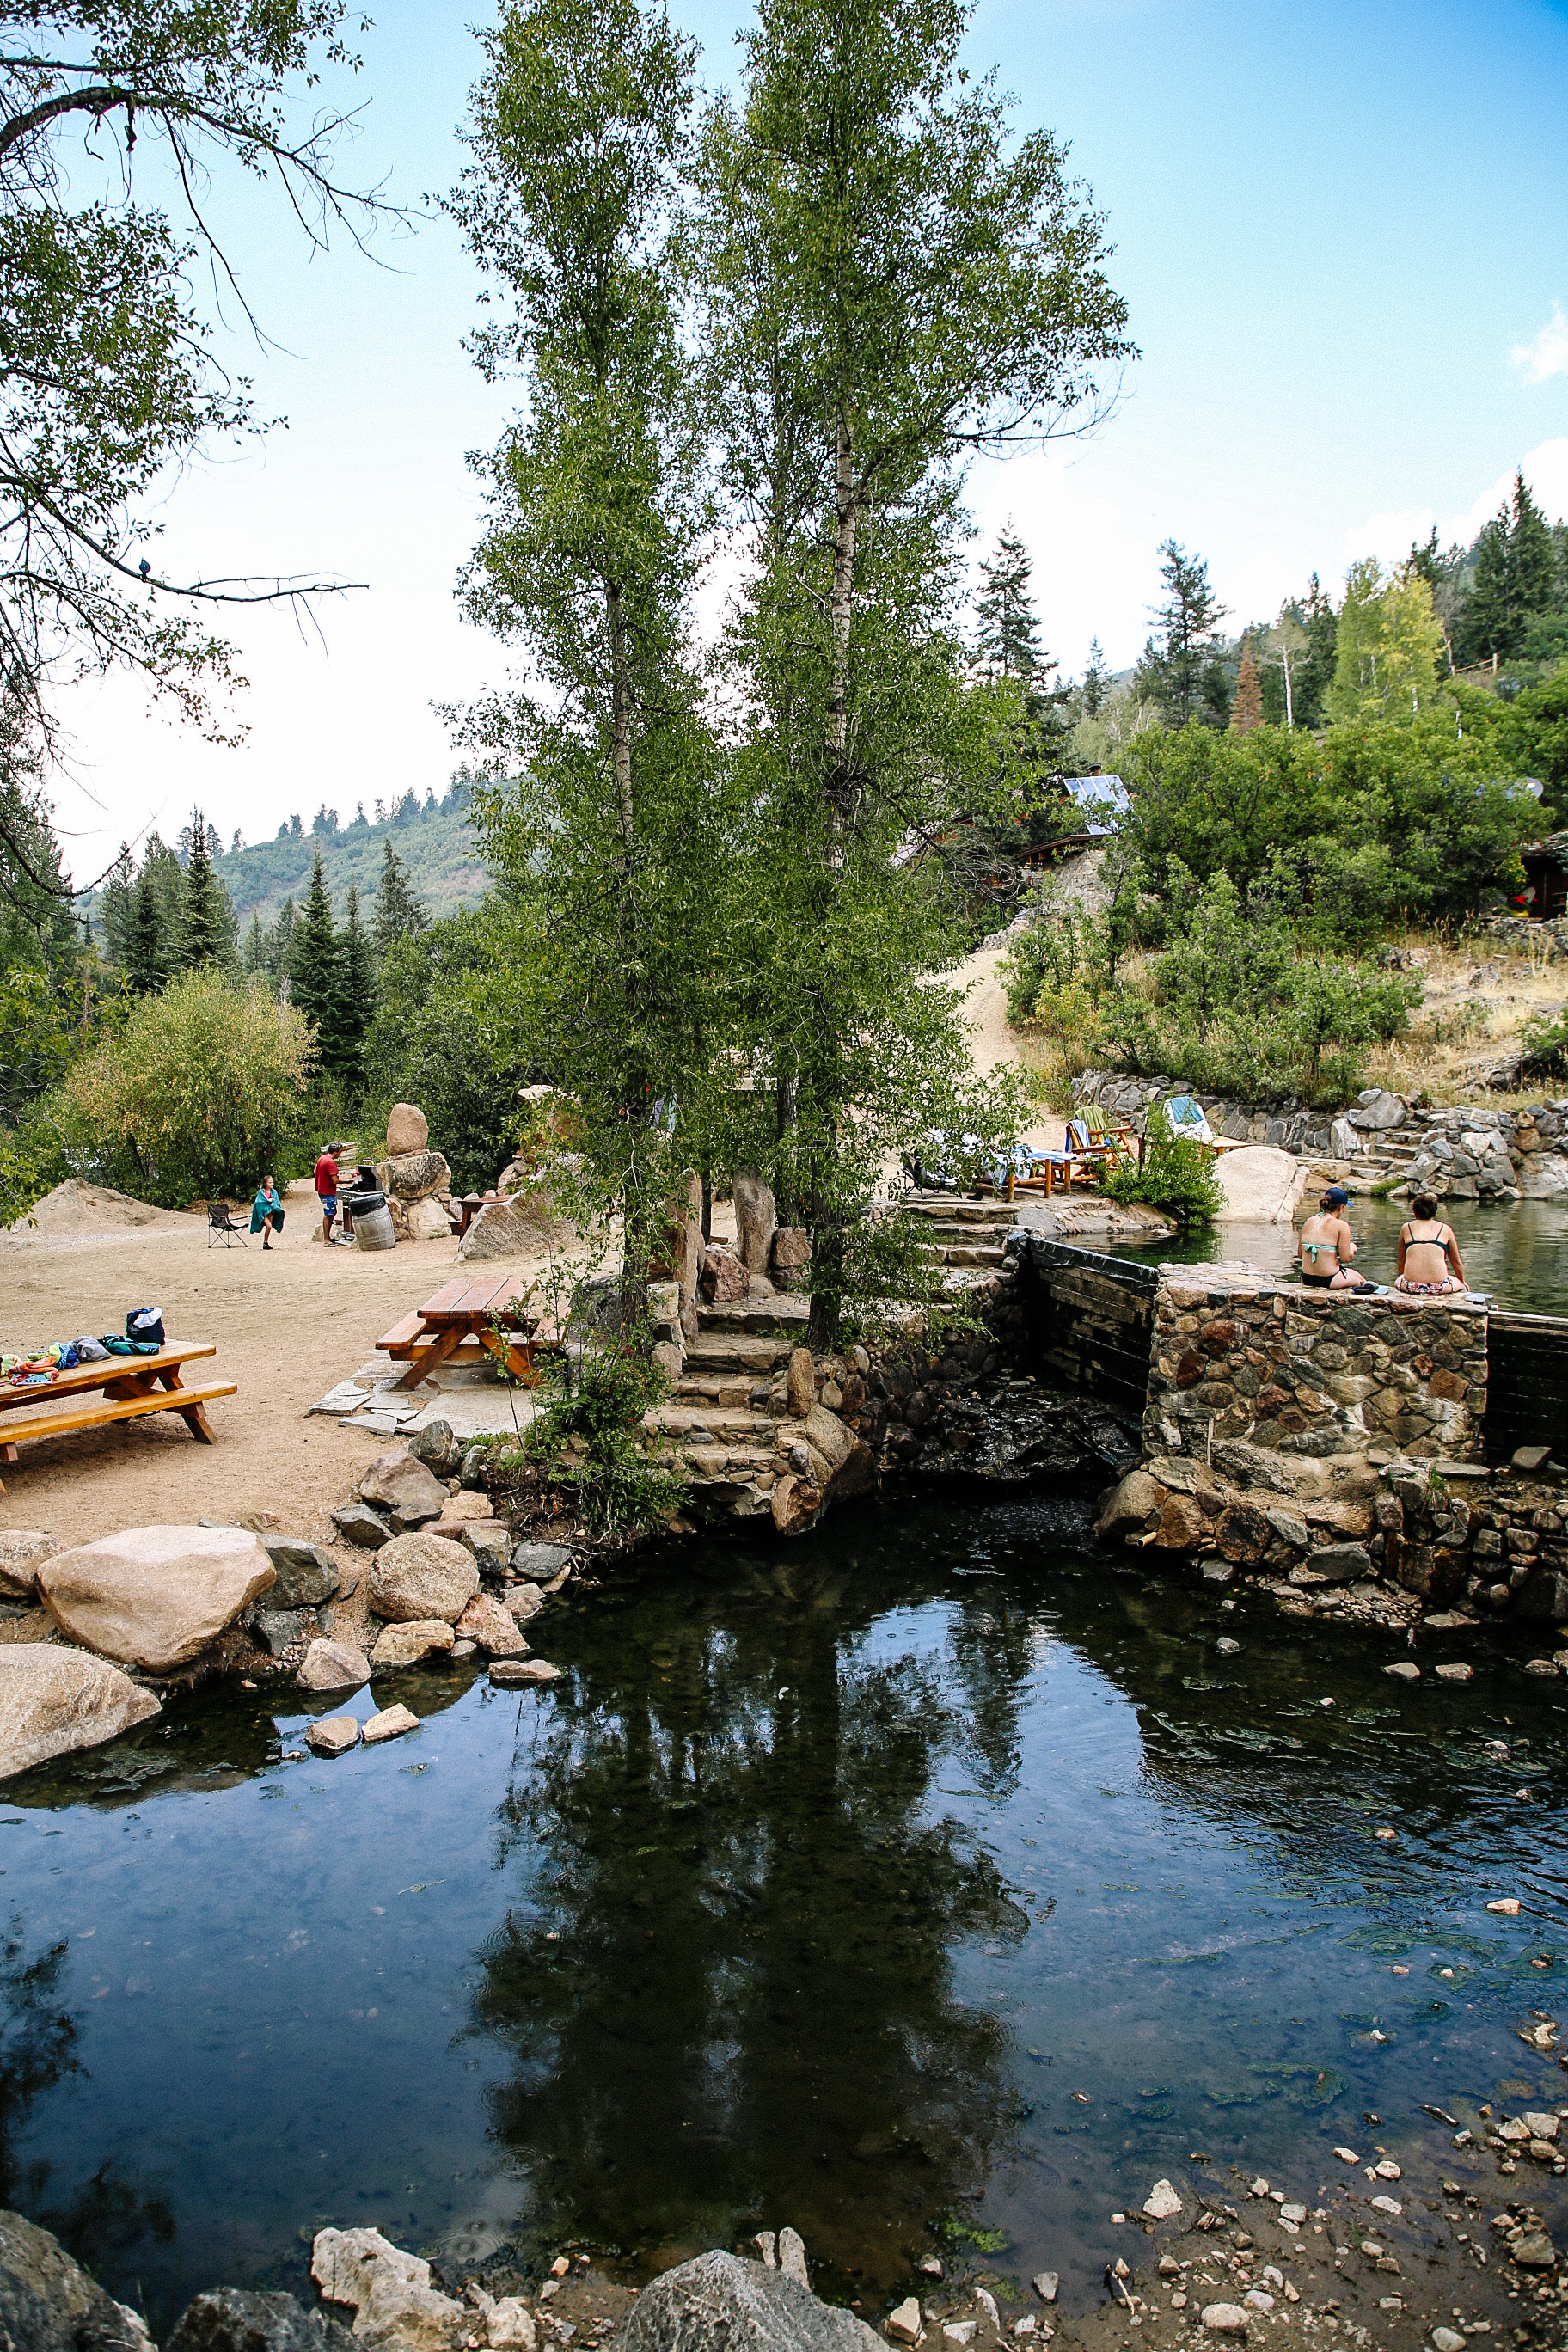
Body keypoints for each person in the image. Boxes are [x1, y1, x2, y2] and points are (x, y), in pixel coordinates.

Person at [1298, 1184, 1374, 1289]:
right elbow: (1345, 1258)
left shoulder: (1309, 1221)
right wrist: (1351, 1248)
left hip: (1306, 1278)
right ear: (1341, 1207)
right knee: (1365, 1283)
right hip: (1329, 1280)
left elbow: (1300, 1255)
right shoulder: (1341, 1225)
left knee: (1353, 1273)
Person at [1394, 1192, 1467, 1295]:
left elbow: (1401, 1260)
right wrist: (1462, 1282)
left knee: (1399, 1280)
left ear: (1415, 1212)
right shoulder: (1445, 1229)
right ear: (1435, 1212)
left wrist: (1403, 1277)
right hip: (1439, 1287)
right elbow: (1456, 1262)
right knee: (1456, 1281)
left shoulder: (1407, 1228)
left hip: (1410, 1287)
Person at [314, 1142, 346, 1246]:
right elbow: (335, 1180)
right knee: (328, 1214)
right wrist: (347, 1181)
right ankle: (326, 1240)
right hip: (327, 1191)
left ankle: (328, 1236)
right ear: (336, 1151)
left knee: (333, 1211)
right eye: (340, 1152)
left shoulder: (322, 1158)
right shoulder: (331, 1162)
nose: (340, 1155)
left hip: (321, 1190)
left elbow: (315, 1171)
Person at [250, 1174, 285, 1250]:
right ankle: (265, 1242)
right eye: (269, 1182)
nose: (271, 1184)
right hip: (263, 1213)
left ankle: (266, 1242)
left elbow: (277, 1202)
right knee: (269, 1225)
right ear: (265, 1183)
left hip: (271, 1212)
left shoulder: (274, 1192)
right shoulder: (261, 1192)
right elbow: (258, 1203)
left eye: (272, 1182)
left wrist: (273, 1205)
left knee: (269, 1227)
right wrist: (267, 1201)